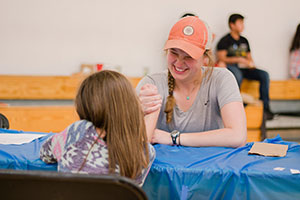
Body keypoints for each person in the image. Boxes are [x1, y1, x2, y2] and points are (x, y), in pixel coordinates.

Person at [137, 16, 247, 148]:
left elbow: (238, 136)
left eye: (188, 56)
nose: (178, 63)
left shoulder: (221, 79)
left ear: (205, 58)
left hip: (210, 166)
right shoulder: (152, 83)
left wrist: (174, 138)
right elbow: (131, 141)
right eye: (173, 52)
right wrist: (139, 112)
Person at [40, 70, 159, 186]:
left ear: (84, 105)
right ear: (132, 105)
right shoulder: (145, 152)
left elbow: (45, 153)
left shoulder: (78, 131)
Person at [216, 13, 274, 120]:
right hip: (232, 67)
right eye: (240, 23)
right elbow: (222, 58)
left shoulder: (244, 40)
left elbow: (249, 57)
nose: (243, 25)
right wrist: (238, 59)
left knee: (264, 75)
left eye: (243, 23)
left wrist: (250, 63)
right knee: (237, 75)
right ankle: (235, 105)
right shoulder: (224, 41)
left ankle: (265, 108)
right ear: (232, 25)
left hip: (245, 68)